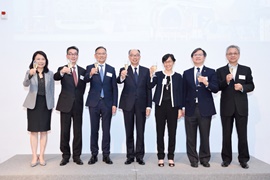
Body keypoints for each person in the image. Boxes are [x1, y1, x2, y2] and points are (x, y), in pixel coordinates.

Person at [216, 45, 255, 169]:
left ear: (238, 55)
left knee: (242, 134)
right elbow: (217, 87)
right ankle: (226, 159)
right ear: (226, 56)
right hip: (226, 107)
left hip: (241, 108)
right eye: (230, 53)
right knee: (226, 134)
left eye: (235, 53)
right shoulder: (220, 71)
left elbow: (251, 85)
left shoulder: (246, 69)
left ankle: (243, 159)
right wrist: (226, 81)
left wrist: (242, 88)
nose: (232, 55)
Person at [183, 48, 218, 168]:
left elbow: (215, 88)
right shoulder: (186, 72)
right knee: (190, 136)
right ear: (192, 58)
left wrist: (206, 82)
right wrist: (182, 108)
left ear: (204, 57)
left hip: (205, 108)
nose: (197, 57)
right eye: (195, 55)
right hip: (190, 108)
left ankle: (204, 159)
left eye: (200, 55)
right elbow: (184, 92)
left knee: (204, 135)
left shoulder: (211, 72)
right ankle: (193, 159)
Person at [117, 49, 152, 165]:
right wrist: (122, 76)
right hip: (128, 104)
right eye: (132, 55)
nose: (134, 57)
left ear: (140, 57)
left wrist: (149, 106)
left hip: (142, 105)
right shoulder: (124, 70)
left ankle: (140, 156)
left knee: (141, 131)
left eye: (136, 55)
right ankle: (130, 156)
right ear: (129, 57)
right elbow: (119, 81)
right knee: (129, 131)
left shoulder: (146, 71)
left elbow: (148, 89)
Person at [85, 46, 118, 165]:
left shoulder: (111, 69)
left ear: (106, 55)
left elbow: (114, 88)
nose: (101, 55)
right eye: (99, 54)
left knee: (106, 130)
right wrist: (90, 74)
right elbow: (85, 80)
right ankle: (94, 154)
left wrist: (115, 104)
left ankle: (106, 155)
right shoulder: (90, 68)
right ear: (95, 55)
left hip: (107, 103)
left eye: (103, 53)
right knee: (94, 130)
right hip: (94, 103)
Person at [149, 54, 183, 167]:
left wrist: (180, 108)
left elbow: (180, 93)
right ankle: (160, 157)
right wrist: (151, 75)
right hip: (160, 106)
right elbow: (149, 85)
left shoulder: (178, 76)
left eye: (170, 61)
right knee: (160, 132)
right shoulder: (158, 75)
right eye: (165, 62)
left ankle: (171, 157)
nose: (168, 64)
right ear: (163, 63)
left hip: (173, 107)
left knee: (172, 133)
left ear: (173, 62)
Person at [54, 46, 86, 166]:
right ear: (67, 56)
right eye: (70, 54)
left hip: (78, 105)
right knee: (65, 131)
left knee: (78, 132)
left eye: (75, 54)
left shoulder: (83, 71)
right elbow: (56, 77)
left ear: (77, 56)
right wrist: (62, 71)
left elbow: (87, 80)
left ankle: (77, 156)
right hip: (65, 104)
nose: (73, 56)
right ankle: (65, 156)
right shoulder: (62, 69)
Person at [23, 51, 54, 167]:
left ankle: (41, 156)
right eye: (38, 59)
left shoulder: (50, 73)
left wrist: (51, 104)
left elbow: (51, 90)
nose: (41, 61)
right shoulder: (30, 72)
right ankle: (34, 156)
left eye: (43, 59)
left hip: (46, 104)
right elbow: (25, 84)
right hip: (33, 104)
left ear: (46, 61)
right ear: (34, 61)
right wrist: (30, 74)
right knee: (34, 131)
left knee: (44, 131)